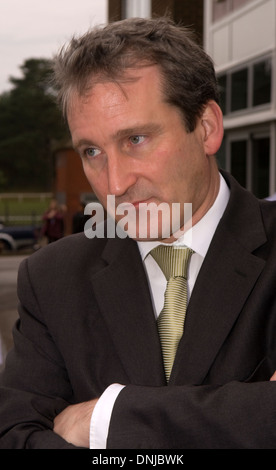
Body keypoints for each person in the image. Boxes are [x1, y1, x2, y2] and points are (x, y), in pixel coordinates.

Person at [1, 16, 276, 450]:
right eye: (92, 151)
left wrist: (106, 419)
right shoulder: (52, 279)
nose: (113, 184)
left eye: (136, 140)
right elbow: (13, 435)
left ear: (206, 127)